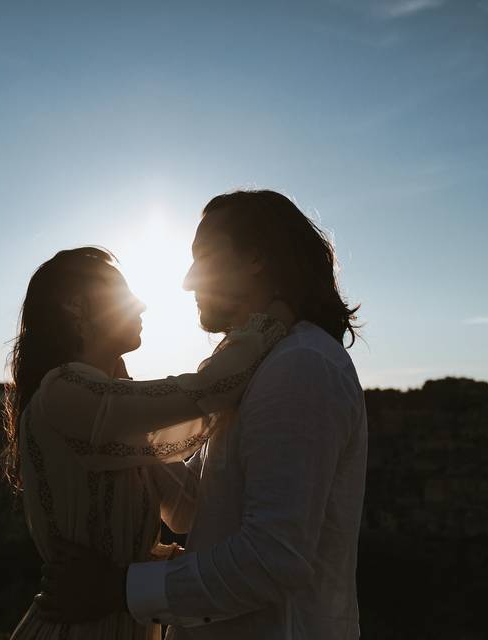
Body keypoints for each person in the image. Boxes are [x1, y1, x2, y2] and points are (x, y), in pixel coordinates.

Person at [37, 190, 368, 639]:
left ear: (255, 258)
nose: (188, 281)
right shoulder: (259, 367)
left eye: (204, 257)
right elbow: (203, 504)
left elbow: (273, 556)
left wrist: (121, 587)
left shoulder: (299, 365)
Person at [1, 246, 294, 640]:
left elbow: (190, 509)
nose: (139, 304)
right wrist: (271, 324)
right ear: (75, 306)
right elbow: (206, 389)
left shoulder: (111, 414)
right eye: (119, 293)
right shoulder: (65, 390)